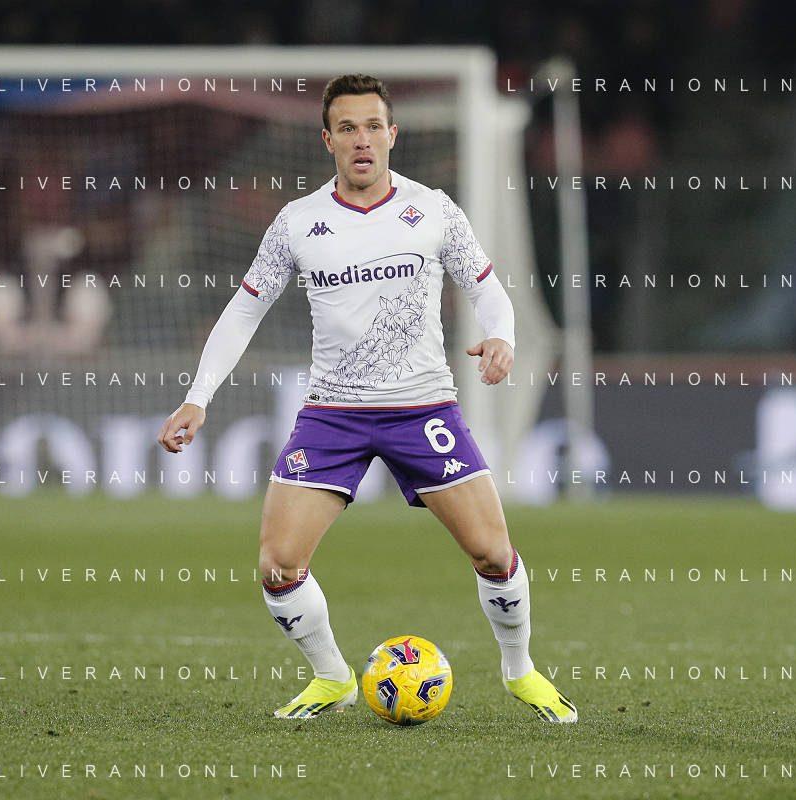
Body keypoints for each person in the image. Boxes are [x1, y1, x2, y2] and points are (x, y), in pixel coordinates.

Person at [157, 73, 576, 723]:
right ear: (327, 140)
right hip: (333, 413)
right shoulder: (298, 222)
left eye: (373, 126)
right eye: (347, 128)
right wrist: (197, 396)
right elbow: (244, 310)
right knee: (277, 566)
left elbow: (488, 289)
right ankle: (332, 677)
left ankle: (519, 670)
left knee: (494, 552)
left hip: (422, 408)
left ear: (392, 135)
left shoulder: (433, 210)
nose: (362, 139)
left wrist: (502, 336)